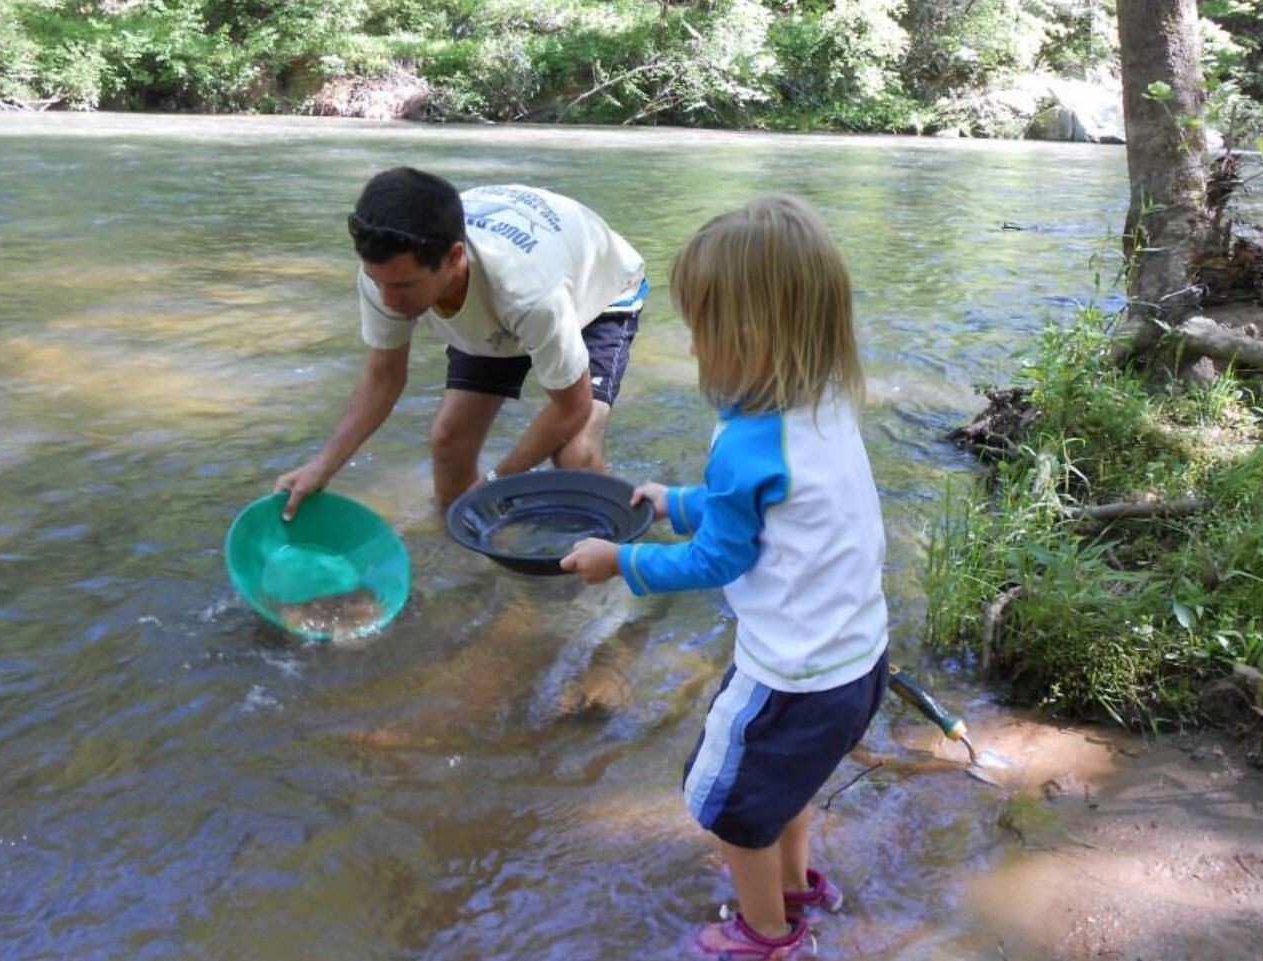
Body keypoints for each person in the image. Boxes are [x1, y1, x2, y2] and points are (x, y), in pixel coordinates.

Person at [560, 195, 889, 959]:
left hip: (788, 675)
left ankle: (766, 933)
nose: (696, 345)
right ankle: (797, 879)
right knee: (788, 784)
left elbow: (722, 557)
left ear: (744, 335)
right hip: (857, 659)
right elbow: (771, 508)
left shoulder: (744, 441)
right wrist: (677, 501)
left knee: (728, 803)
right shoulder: (826, 402)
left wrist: (621, 561)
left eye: (702, 326)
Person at [275, 167, 647, 515]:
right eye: (378, 281)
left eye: (404, 286)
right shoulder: (387, 272)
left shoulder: (529, 294)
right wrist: (321, 468)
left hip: (598, 290)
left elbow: (572, 407)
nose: (388, 300)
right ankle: (465, 560)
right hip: (496, 296)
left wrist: (496, 483)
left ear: (454, 257)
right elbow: (383, 380)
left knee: (573, 456)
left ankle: (616, 553)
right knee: (449, 441)